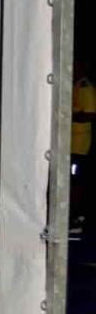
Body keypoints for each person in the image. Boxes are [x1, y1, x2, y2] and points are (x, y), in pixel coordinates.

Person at [72, 57, 95, 236]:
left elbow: (90, 115)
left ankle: (78, 218)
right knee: (72, 182)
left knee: (76, 182)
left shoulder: (85, 87)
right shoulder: (75, 85)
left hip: (79, 146)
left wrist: (70, 117)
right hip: (70, 144)